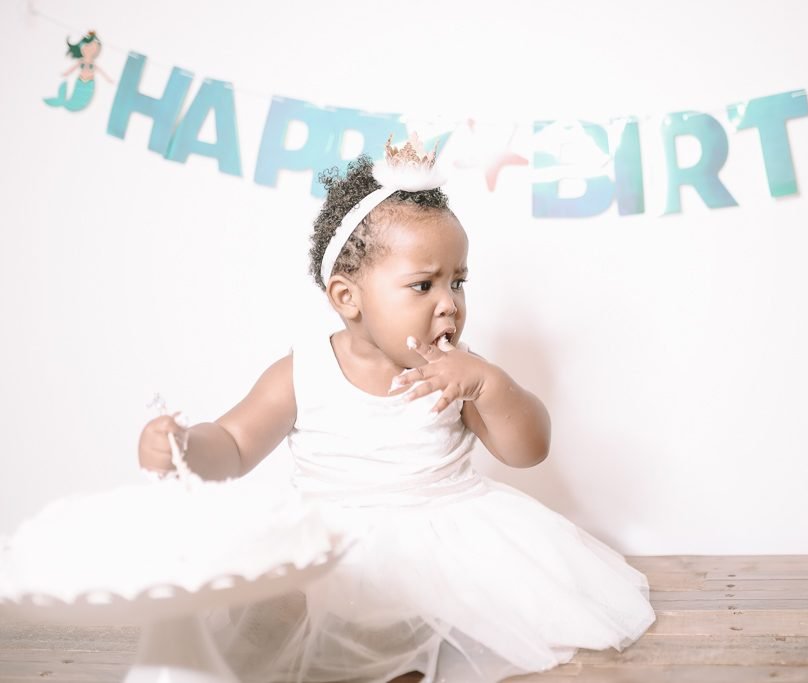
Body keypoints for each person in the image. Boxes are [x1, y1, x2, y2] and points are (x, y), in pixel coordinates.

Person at [137, 134, 655, 683]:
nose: (449, 303)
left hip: (450, 548)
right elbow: (237, 446)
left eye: (458, 281)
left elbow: (529, 449)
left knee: (437, 641)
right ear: (347, 297)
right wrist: (185, 448)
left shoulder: (459, 374)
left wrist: (489, 386)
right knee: (287, 623)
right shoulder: (302, 372)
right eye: (423, 284)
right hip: (333, 547)